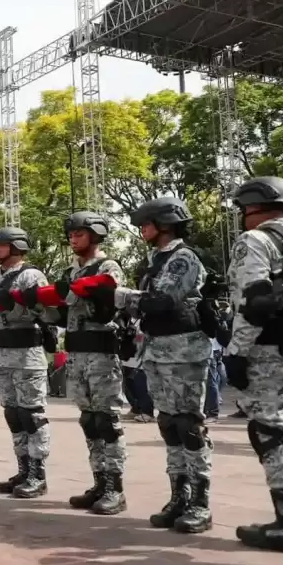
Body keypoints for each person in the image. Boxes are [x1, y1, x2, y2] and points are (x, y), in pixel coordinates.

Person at [108, 197, 213, 533]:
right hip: (157, 349)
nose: (142, 228)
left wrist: (120, 296)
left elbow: (163, 301)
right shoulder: (156, 259)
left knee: (188, 425)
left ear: (165, 223)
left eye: (147, 222)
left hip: (184, 349)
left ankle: (200, 501)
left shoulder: (183, 258)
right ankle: (178, 495)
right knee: (168, 423)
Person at [222, 176, 283, 551]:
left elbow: (254, 303)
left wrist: (237, 351)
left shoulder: (256, 240)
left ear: (253, 207)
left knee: (270, 431)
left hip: (267, 348)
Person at [52, 212, 128, 515]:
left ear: (95, 235)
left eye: (79, 234)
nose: (73, 239)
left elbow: (106, 300)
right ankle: (99, 481)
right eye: (71, 234)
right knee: (89, 421)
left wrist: (71, 293)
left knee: (107, 421)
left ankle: (115, 487)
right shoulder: (70, 272)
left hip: (100, 353)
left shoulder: (107, 267)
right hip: (77, 353)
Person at [0, 227, 53, 498]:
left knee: (31, 415)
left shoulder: (31, 275)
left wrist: (16, 306)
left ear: (17, 246)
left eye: (2, 244)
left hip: (25, 355)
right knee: (13, 414)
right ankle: (23, 468)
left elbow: (45, 312)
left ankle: (38, 473)